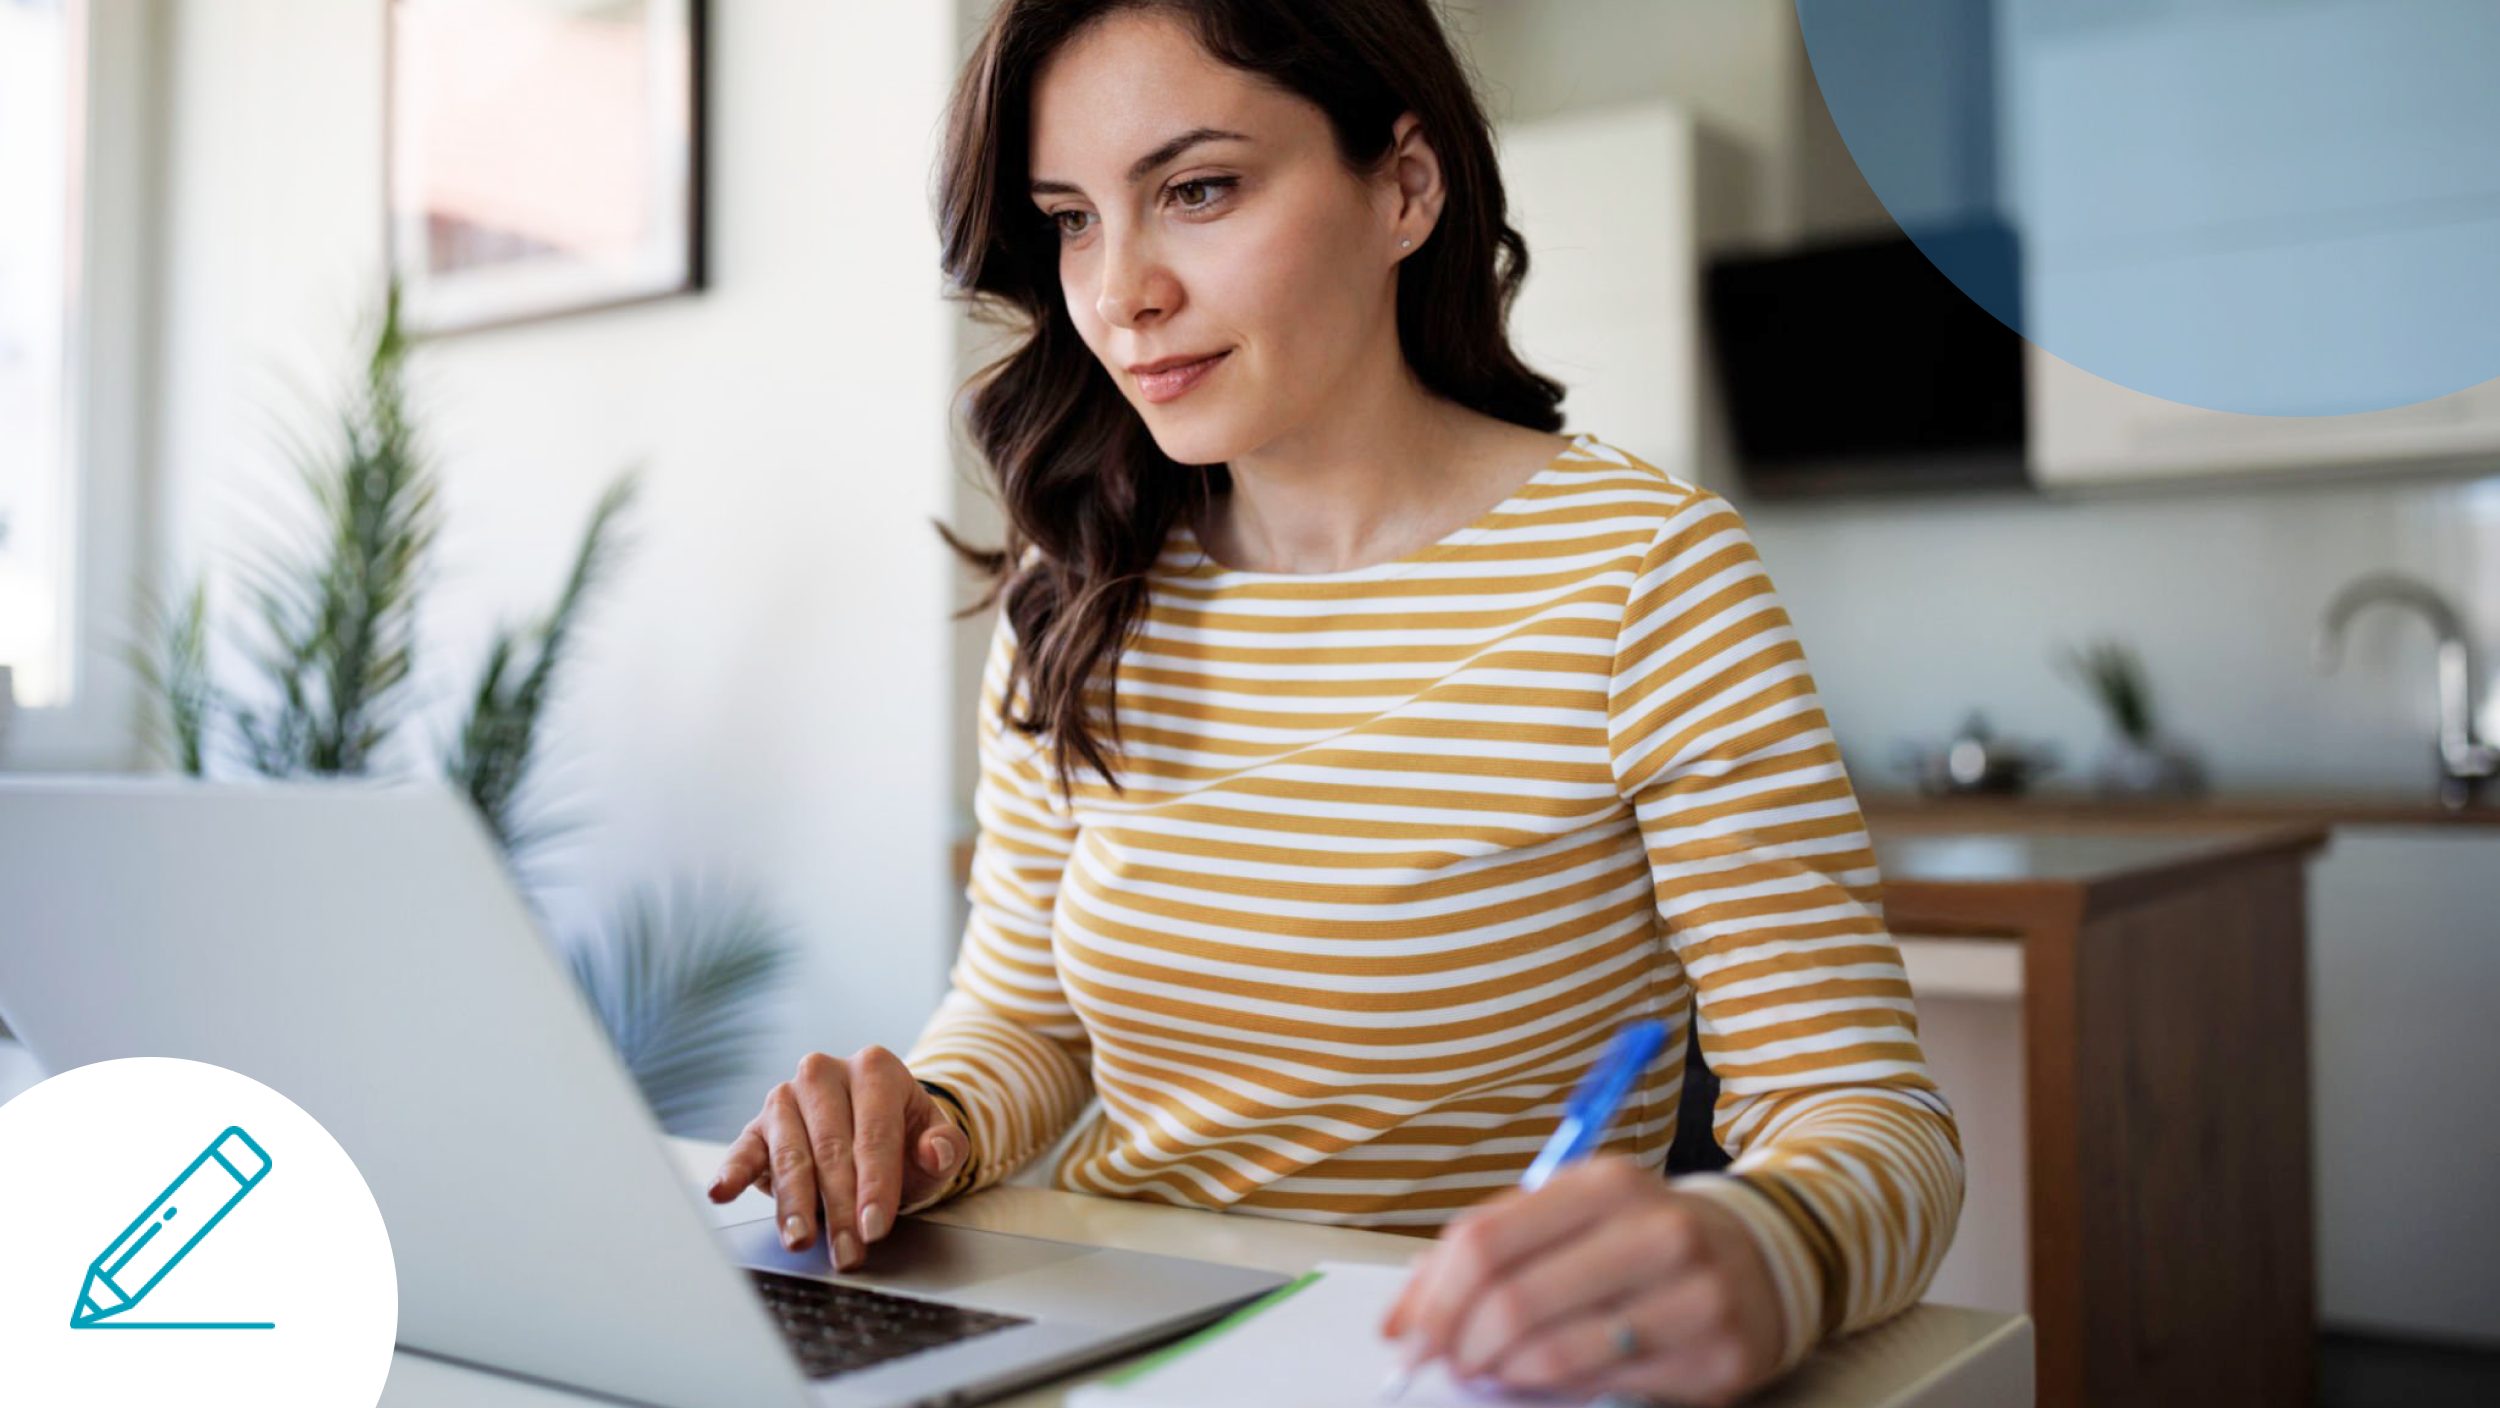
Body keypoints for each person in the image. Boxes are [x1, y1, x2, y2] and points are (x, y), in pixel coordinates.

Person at [708, 2, 1963, 1402]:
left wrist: (1756, 1248)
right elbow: (1028, 1024)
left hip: (1457, 1367)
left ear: (1405, 187)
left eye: (1197, 191)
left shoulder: (1645, 579)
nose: (1120, 290)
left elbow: (1868, 1119)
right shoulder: (1080, 590)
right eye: (1071, 217)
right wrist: (921, 1121)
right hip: (1116, 1346)